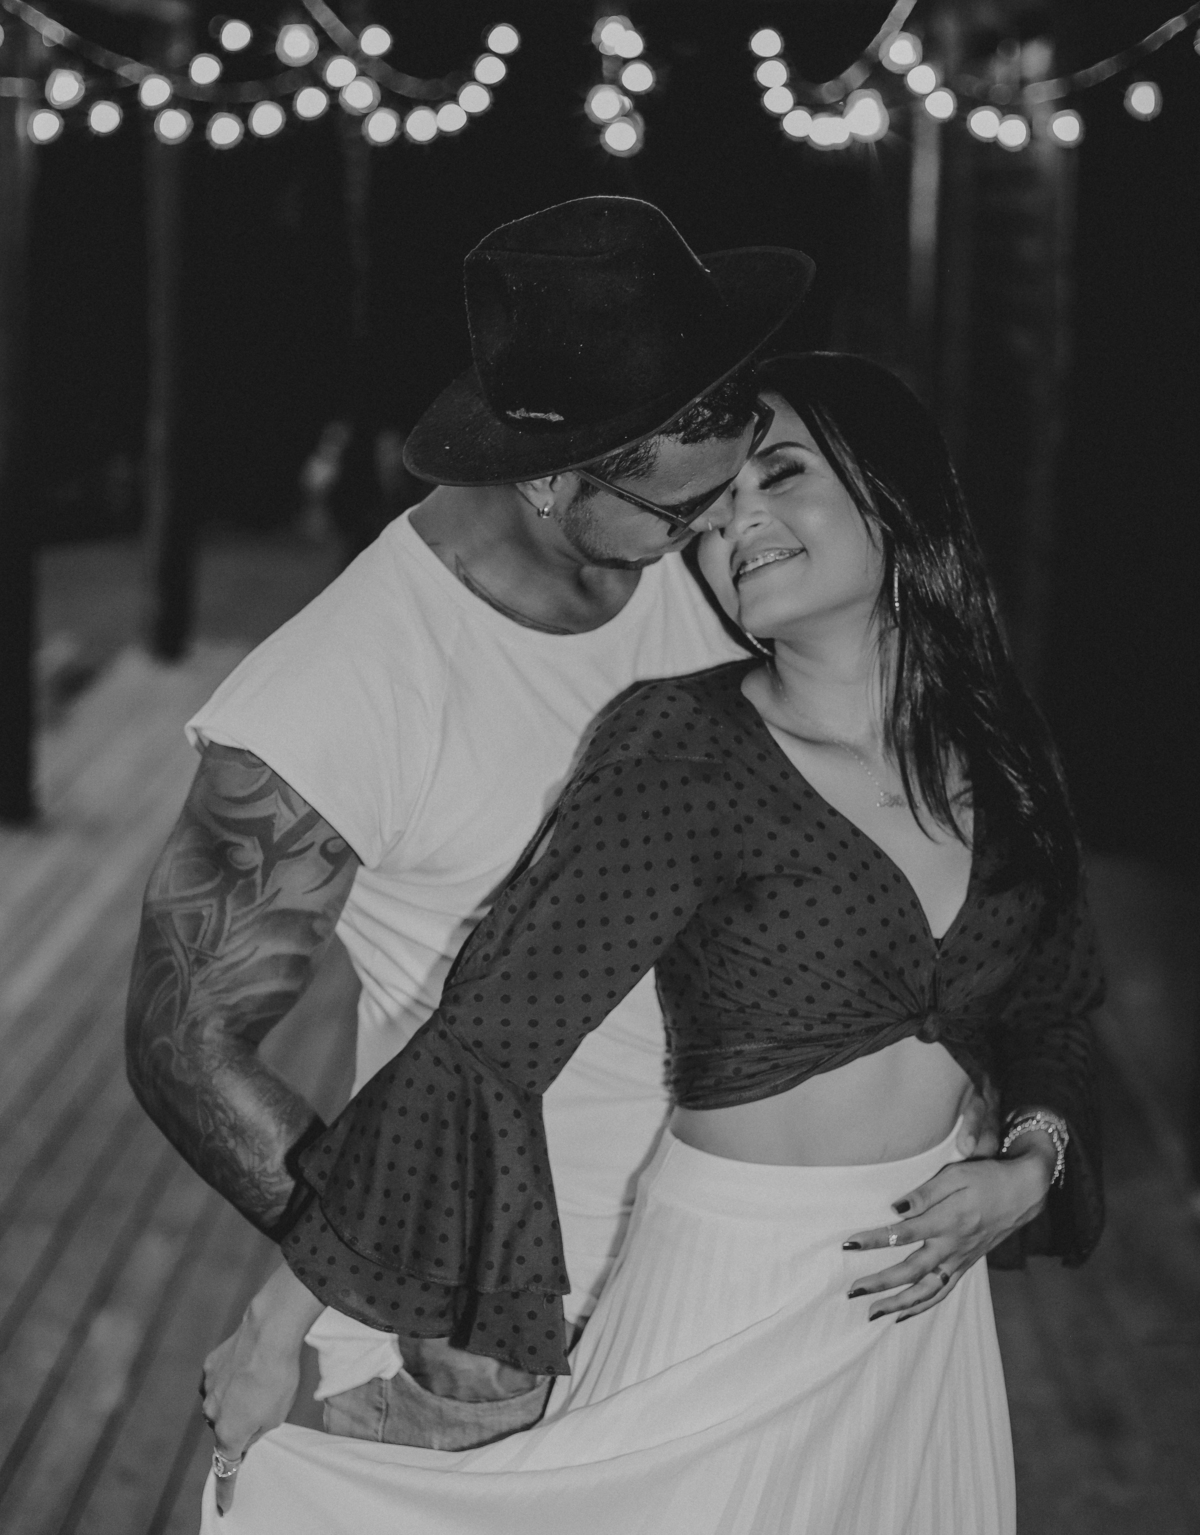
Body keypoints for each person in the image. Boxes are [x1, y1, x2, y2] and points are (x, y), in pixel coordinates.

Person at [198, 352, 1103, 1534]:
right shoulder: (683, 747)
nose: (738, 525)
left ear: (894, 493)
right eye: (717, 510)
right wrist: (279, 1319)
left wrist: (1031, 1166)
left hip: (921, 1322)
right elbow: (486, 1043)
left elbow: (1052, 1006)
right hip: (722, 1300)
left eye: (782, 476)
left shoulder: (1002, 746)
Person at [129, 194, 864, 1454]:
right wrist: (429, 1280)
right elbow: (180, 1042)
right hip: (510, 1342)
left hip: (744, 1268)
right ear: (546, 475)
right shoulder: (343, 686)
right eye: (676, 513)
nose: (717, 530)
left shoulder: (692, 560)